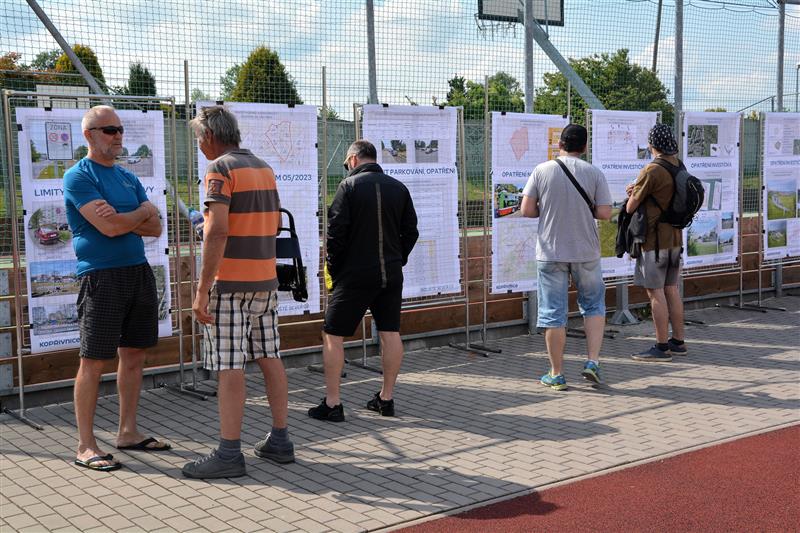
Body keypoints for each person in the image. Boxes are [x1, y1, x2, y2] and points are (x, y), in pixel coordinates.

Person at [182, 106, 294, 479]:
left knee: (229, 365)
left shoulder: (220, 169)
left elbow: (218, 232)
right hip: (265, 281)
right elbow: (272, 221)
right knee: (269, 356)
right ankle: (280, 440)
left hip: (229, 286)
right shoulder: (263, 167)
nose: (199, 146)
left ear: (210, 136)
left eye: (199, 139)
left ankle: (229, 454)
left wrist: (201, 291)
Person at [64, 105, 168, 472]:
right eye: (109, 130)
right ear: (89, 135)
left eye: (120, 129)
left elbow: (156, 229)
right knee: (93, 361)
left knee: (135, 355)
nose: (118, 136)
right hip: (101, 276)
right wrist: (141, 213)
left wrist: (131, 218)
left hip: (137, 272)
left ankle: (127, 432)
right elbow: (109, 228)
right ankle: (85, 445)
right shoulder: (78, 177)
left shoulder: (127, 177)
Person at [308, 140, 418, 422]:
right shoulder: (399, 187)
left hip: (355, 273)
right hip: (391, 273)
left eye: (346, 164)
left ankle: (333, 403)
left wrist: (335, 267)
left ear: (354, 159)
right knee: (390, 332)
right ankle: (386, 398)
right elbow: (411, 231)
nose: (347, 168)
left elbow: (336, 232)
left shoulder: (349, 187)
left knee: (333, 333)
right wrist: (397, 258)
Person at [520, 124, 613, 390]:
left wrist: (548, 208)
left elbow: (527, 210)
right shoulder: (594, 172)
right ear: (584, 147)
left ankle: (556, 373)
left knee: (553, 313)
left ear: (559, 144)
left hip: (550, 251)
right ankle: (592, 362)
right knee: (594, 305)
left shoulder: (542, 170)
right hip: (586, 250)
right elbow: (605, 213)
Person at [625, 124, 687, 362]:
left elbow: (631, 207)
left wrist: (632, 193)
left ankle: (661, 347)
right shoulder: (678, 166)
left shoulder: (652, 170)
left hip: (653, 241)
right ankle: (678, 341)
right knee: (672, 289)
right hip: (674, 239)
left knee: (655, 293)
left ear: (652, 145)